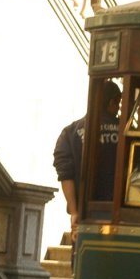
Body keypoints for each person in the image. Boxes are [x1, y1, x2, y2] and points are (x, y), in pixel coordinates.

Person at [54, 81, 121, 238]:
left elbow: (65, 174)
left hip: (86, 213)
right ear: (112, 102)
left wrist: (74, 212)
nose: (118, 109)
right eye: (118, 103)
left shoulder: (70, 132)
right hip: (118, 213)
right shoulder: (125, 131)